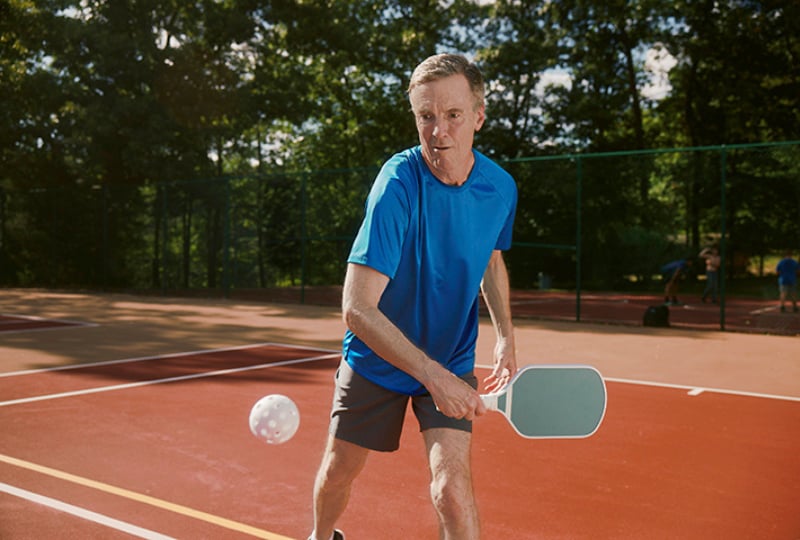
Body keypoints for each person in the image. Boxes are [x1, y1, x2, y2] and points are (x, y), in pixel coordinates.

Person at [308, 53, 518, 540]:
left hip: (450, 355)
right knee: (340, 469)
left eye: (452, 115)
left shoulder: (500, 188)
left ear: (479, 117)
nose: (438, 131)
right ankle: (321, 537)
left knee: (450, 489)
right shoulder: (397, 184)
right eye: (426, 116)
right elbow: (357, 308)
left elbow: (490, 256)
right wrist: (434, 378)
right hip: (379, 356)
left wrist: (506, 335)